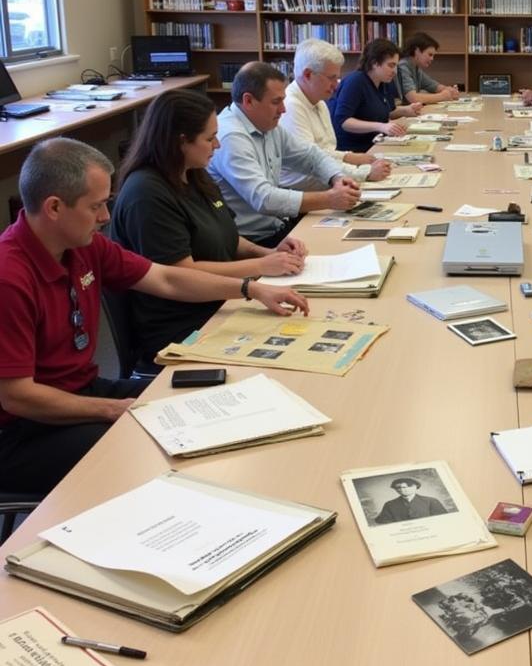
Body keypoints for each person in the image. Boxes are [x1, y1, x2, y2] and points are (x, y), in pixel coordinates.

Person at [0, 138, 308, 495]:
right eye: (96, 206)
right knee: (150, 452)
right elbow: (17, 396)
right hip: (22, 430)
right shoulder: (10, 278)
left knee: (211, 402)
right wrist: (110, 409)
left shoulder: (84, 245)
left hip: (80, 390)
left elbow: (165, 278)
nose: (105, 217)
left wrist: (249, 289)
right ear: (54, 208)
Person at [108, 89, 311, 364]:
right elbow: (181, 273)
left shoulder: (193, 174)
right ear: (181, 142)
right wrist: (259, 271)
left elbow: (225, 235)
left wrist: (268, 253)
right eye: (209, 138)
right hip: (182, 324)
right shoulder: (146, 195)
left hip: (222, 302)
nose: (217, 144)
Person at [207, 61, 361, 247]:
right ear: (248, 101)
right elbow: (264, 199)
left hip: (279, 227)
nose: (283, 109)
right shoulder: (231, 136)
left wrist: (337, 177)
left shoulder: (267, 125)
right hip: (253, 241)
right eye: (275, 102)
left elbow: (310, 155)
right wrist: (329, 199)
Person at [278, 38, 391, 186]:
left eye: (337, 78)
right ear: (308, 75)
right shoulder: (291, 107)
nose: (336, 85)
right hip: (306, 194)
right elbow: (313, 162)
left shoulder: (319, 102)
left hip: (325, 183)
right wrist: (364, 173)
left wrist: (348, 157)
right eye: (331, 78)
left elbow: (324, 151)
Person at [328, 38, 423, 154]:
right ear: (374, 63)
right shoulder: (355, 82)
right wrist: (380, 126)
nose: (395, 72)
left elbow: (385, 111)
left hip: (377, 143)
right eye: (391, 65)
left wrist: (406, 110)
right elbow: (343, 121)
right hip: (354, 150)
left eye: (396, 66)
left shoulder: (385, 82)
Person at [396, 32, 460, 105]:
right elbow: (413, 98)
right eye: (430, 55)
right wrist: (443, 96)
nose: (432, 59)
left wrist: (449, 90)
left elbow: (433, 85)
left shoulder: (416, 68)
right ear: (417, 51)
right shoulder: (403, 66)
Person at [375, 476, 447, 524]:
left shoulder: (431, 501)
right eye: (398, 488)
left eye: (405, 487)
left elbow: (443, 520)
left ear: (415, 487)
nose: (402, 490)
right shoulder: (389, 504)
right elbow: (384, 522)